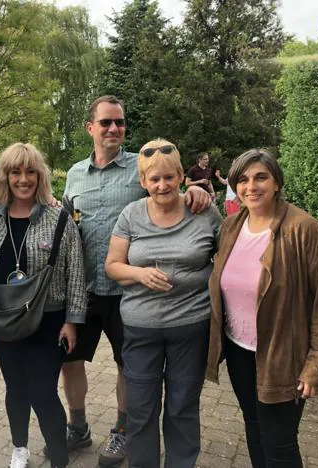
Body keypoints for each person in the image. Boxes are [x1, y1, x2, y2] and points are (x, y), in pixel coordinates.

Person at [61, 95, 211, 466]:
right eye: (107, 122)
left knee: (130, 370)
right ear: (90, 128)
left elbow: (171, 182)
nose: (115, 129)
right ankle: (77, 427)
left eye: (120, 122)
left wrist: (194, 189)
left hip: (129, 295)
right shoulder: (75, 174)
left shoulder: (141, 165)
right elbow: (66, 221)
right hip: (85, 288)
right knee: (71, 360)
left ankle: (121, 432)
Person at [206, 149, 318, 468]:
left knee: (279, 443)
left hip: (283, 355)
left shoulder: (303, 230)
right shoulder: (231, 227)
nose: (251, 186)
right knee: (254, 428)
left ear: (277, 182)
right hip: (240, 351)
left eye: (260, 177)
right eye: (242, 179)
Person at [105, 140, 221, 467]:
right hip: (141, 328)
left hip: (190, 326)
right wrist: (139, 274)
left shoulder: (203, 211)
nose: (162, 185)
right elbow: (112, 265)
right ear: (143, 182)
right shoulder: (131, 214)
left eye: (169, 177)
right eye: (153, 179)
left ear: (182, 176)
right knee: (140, 408)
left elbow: (227, 256)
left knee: (182, 406)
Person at [0, 143, 87, 468]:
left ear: (40, 176)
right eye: (15, 172)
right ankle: (19, 449)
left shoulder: (59, 218)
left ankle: (58, 456)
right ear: (5, 176)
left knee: (42, 392)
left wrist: (72, 320)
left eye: (30, 171)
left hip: (49, 320)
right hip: (3, 320)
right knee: (16, 387)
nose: (23, 179)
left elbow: (76, 271)